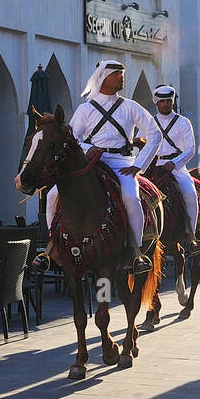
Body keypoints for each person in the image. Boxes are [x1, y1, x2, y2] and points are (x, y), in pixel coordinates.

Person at [59, 59, 161, 272]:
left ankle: (136, 250)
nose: (121, 77)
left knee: (131, 198)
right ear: (103, 77)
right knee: (53, 195)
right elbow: (72, 138)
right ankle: (53, 248)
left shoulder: (131, 107)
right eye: (116, 74)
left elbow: (154, 134)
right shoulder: (85, 109)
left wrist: (138, 166)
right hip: (91, 163)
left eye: (121, 74)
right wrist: (88, 149)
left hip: (122, 163)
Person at [148, 84, 200, 255]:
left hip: (176, 168)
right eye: (162, 101)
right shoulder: (149, 122)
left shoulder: (183, 122)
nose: (166, 104)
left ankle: (190, 235)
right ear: (157, 103)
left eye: (168, 101)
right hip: (153, 167)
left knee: (190, 194)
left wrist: (175, 162)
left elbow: (190, 149)